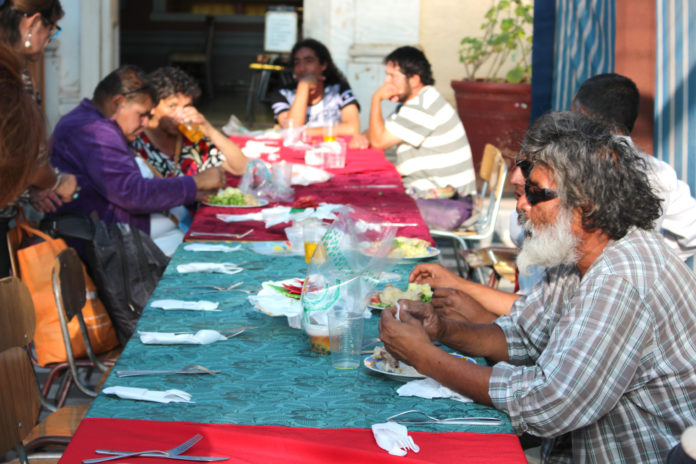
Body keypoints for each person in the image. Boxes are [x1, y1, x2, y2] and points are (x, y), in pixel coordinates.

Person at [380, 111, 696, 462]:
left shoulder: (620, 280)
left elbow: (549, 402)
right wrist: (441, 330)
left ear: (585, 203)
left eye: (536, 192)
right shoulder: (577, 253)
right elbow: (524, 337)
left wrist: (425, 357)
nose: (522, 204)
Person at [412, 72, 696, 323]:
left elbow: (547, 374)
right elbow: (530, 334)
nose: (519, 191)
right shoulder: (659, 175)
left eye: (532, 190)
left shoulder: (610, 278)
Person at [50, 65, 225, 242]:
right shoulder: (95, 131)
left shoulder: (93, 121)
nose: (146, 123)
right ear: (117, 103)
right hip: (102, 239)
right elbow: (134, 195)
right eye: (142, 114)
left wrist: (193, 191)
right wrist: (195, 183)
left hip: (115, 230)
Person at [0, 0, 77, 277]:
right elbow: (20, 156)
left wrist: (32, 188)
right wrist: (56, 182)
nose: (49, 39)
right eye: (51, 29)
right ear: (32, 23)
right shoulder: (9, 75)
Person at [349, 46, 476, 197]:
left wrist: (376, 99)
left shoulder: (423, 107)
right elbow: (380, 131)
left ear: (414, 80)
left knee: (364, 200)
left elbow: (378, 142)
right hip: (432, 193)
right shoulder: (417, 101)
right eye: (386, 75)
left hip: (448, 201)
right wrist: (363, 137)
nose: (386, 82)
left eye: (393, 76)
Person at [132, 66, 247, 178]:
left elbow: (240, 168)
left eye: (187, 106)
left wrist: (210, 130)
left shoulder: (192, 139)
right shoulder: (135, 140)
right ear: (151, 106)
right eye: (172, 106)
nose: (181, 114)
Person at [269, 38, 360, 137]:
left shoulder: (338, 89)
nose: (302, 68)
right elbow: (292, 130)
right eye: (297, 63)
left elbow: (352, 128)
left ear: (323, 65)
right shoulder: (282, 93)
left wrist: (304, 132)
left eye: (309, 61)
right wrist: (303, 87)